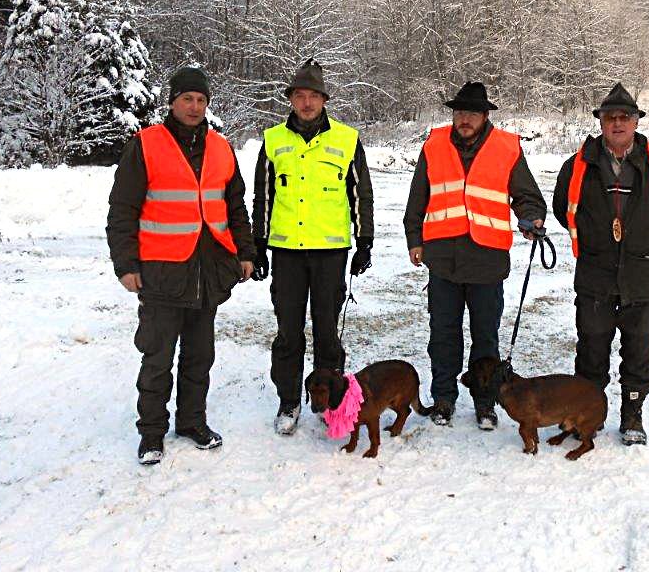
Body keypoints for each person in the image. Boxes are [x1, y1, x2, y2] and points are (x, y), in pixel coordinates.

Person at [107, 66, 255, 466]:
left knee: (199, 356)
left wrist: (246, 251)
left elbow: (235, 206)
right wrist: (125, 263)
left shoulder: (222, 148)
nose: (194, 106)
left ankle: (192, 421)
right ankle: (151, 432)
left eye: (201, 100)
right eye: (187, 99)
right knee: (157, 357)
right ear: (172, 102)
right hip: (161, 271)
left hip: (207, 271)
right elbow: (122, 210)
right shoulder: (146, 144)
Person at [403, 81, 546, 429]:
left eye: (472, 113)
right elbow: (417, 196)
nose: (464, 119)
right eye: (460, 112)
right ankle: (443, 398)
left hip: (487, 261)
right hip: (443, 260)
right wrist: (414, 238)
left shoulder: (506, 148)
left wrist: (531, 218)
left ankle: (486, 402)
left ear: (485, 116)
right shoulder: (434, 145)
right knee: (443, 334)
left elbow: (527, 195)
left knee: (486, 337)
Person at [552, 82, 649, 446]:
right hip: (595, 272)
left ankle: (632, 416)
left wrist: (638, 240)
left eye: (624, 117)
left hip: (642, 273)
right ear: (600, 123)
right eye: (609, 117)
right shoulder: (577, 164)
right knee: (592, 347)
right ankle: (586, 414)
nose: (617, 124)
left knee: (639, 348)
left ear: (636, 122)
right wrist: (598, 239)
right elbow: (564, 209)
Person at [251, 59, 375, 435]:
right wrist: (258, 246)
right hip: (287, 254)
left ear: (324, 100)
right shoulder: (273, 140)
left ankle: (330, 402)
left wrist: (364, 240)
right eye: (299, 96)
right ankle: (289, 401)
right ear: (290, 100)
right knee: (289, 332)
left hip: (330, 253)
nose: (306, 103)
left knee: (326, 332)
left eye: (313, 97)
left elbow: (361, 194)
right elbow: (264, 197)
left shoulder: (346, 139)